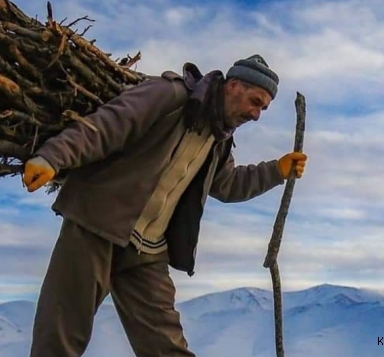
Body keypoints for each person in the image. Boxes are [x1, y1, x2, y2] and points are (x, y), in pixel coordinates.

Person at [22, 54, 308, 357]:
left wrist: (277, 170)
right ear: (233, 85)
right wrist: (52, 157)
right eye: (255, 101)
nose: (256, 115)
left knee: (167, 348)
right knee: (60, 337)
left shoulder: (218, 138)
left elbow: (227, 184)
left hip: (147, 249)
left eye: (263, 108)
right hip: (97, 226)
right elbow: (110, 124)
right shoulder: (169, 95)